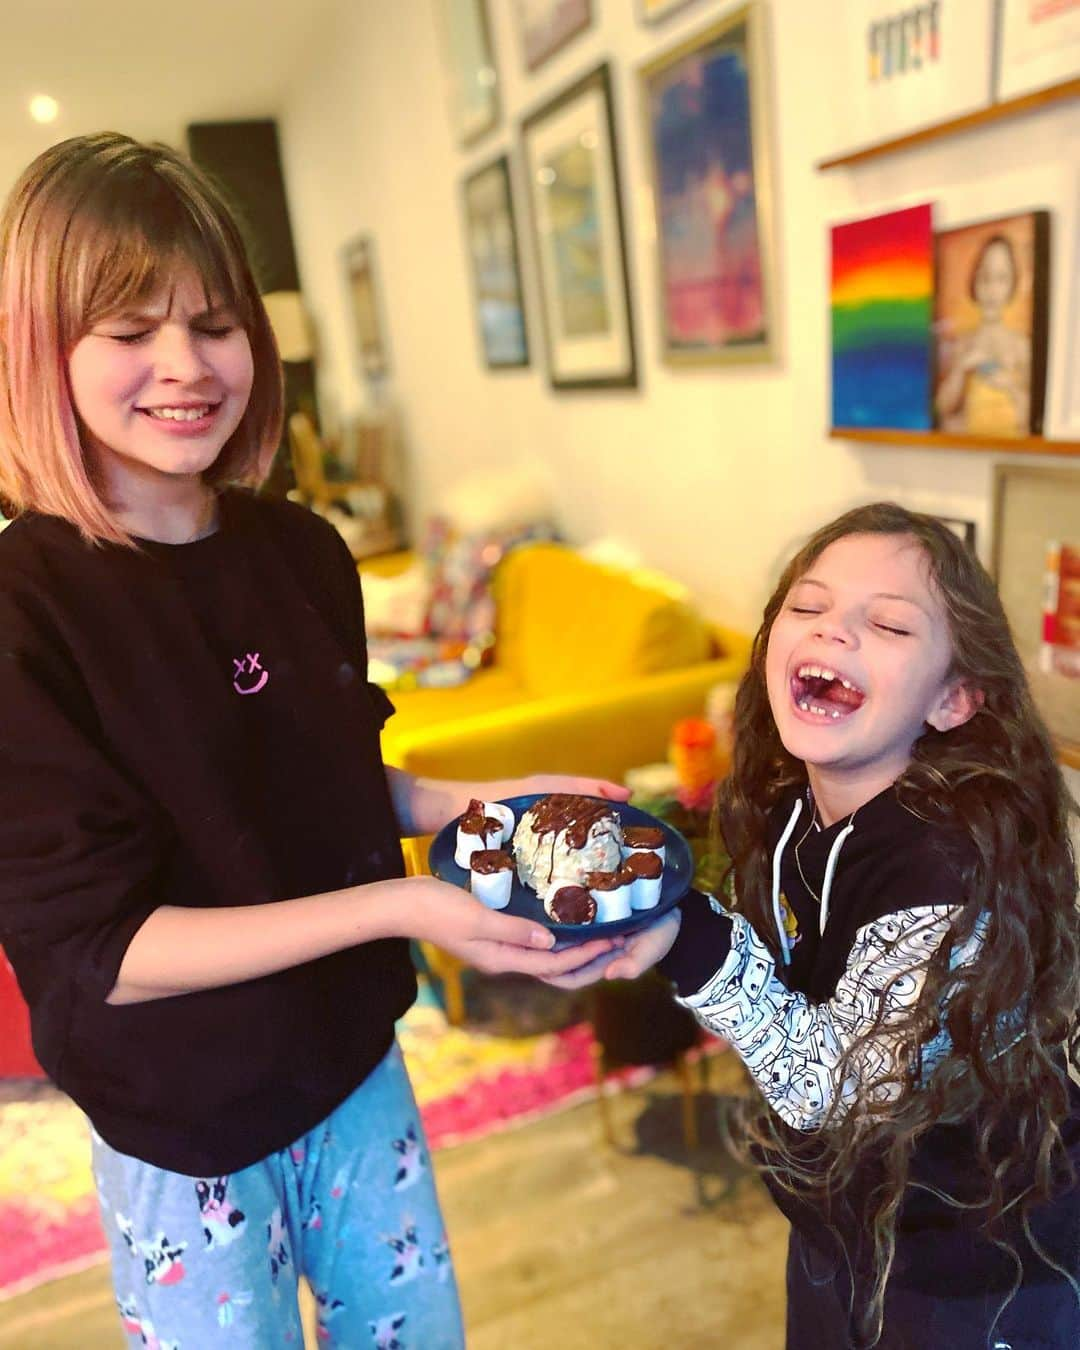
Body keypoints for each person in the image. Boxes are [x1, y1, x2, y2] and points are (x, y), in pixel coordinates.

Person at [0, 133, 625, 1349]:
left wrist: (485, 796)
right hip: (183, 1133)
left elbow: (322, 777)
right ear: (40, 349)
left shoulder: (302, 552)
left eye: (216, 322)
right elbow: (106, 950)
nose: (184, 366)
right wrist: (399, 911)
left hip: (356, 1069)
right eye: (130, 332)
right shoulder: (23, 610)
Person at [557, 503, 1080, 1348]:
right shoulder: (800, 811)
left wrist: (685, 936)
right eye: (808, 607)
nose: (833, 631)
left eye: (888, 624)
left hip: (977, 1262)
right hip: (846, 1225)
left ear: (953, 699)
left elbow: (837, 1092)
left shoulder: (949, 869)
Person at [935, 233, 1032, 436]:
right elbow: (941, 409)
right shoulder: (963, 343)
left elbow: (1032, 418)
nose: (991, 290)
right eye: (984, 278)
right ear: (974, 282)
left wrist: (1010, 387)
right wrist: (960, 370)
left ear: (1012, 284)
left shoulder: (1021, 346)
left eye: (1001, 279)